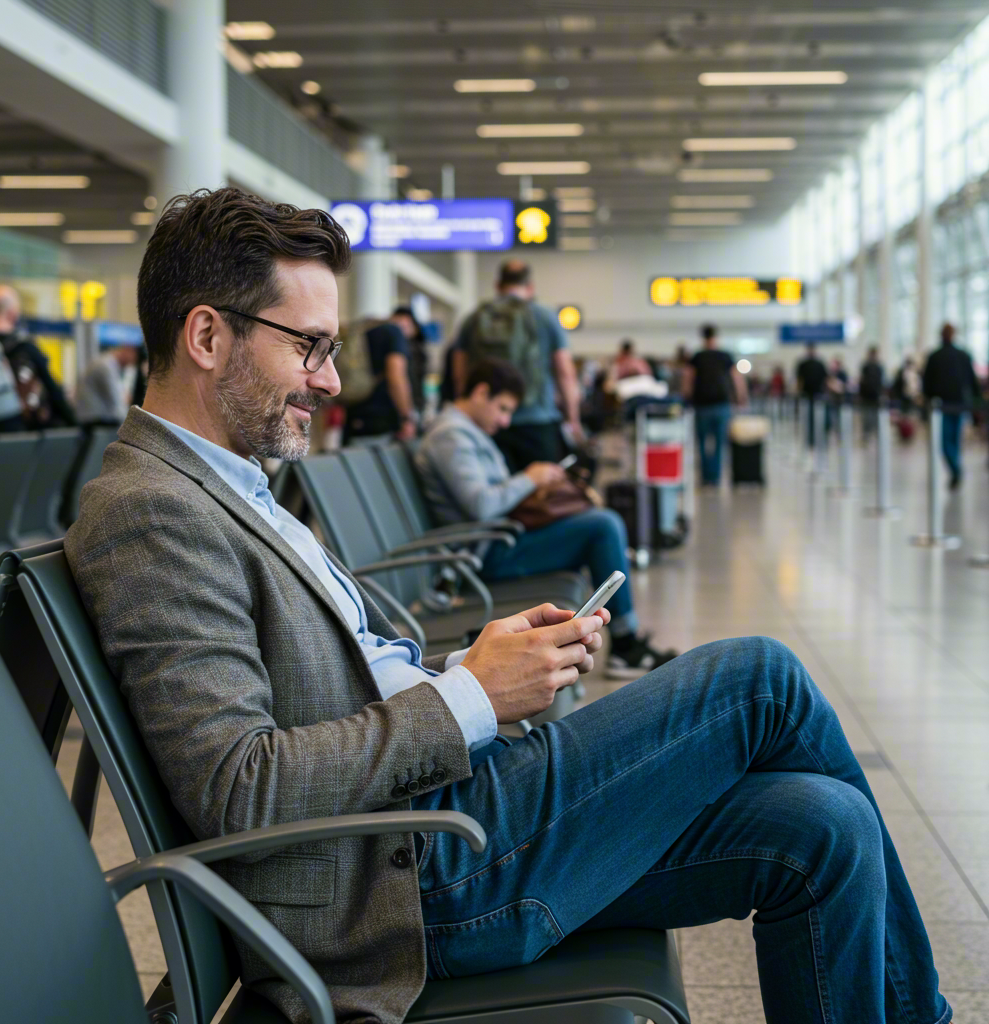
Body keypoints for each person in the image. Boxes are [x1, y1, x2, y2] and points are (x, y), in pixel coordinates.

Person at [65, 187, 951, 1024]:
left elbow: (332, 681)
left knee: (824, 828)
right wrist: (471, 699)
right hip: (410, 873)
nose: (331, 381)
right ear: (208, 337)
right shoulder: (151, 509)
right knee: (761, 678)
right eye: (311, 347)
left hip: (437, 814)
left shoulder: (232, 483)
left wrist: (468, 667)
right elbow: (238, 787)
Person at [416, 358, 676, 679]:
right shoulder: (451, 436)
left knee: (598, 523)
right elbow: (481, 504)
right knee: (603, 526)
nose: (505, 420)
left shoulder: (466, 432)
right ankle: (625, 644)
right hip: (484, 555)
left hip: (500, 538)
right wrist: (531, 478)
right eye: (502, 408)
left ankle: (624, 639)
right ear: (481, 392)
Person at [454, 260, 582, 470]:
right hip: (537, 422)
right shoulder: (545, 317)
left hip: (486, 424)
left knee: (500, 489)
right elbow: (565, 372)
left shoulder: (474, 318)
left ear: (497, 285)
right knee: (542, 494)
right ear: (530, 287)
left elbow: (460, 375)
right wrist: (572, 418)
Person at [0, 284, 76, 428]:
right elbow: (53, 390)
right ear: (13, 313)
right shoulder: (25, 347)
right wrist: (74, 424)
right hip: (13, 426)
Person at [342, 307, 420, 444]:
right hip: (380, 423)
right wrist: (407, 417)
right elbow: (396, 376)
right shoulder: (394, 332)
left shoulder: (368, 329)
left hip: (354, 415)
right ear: (408, 322)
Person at [683, 324, 746, 486]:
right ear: (716, 337)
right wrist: (741, 397)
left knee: (703, 442)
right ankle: (715, 477)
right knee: (719, 443)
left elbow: (688, 379)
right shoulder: (725, 356)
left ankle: (706, 478)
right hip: (721, 404)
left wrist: (687, 398)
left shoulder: (697, 357)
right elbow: (737, 378)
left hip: (702, 405)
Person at [923, 322, 980, 489]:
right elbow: (972, 380)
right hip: (958, 404)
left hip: (944, 405)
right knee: (953, 439)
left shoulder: (935, 356)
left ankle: (955, 469)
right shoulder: (963, 355)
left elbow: (927, 384)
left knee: (946, 440)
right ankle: (956, 468)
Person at [74, 343, 141, 425]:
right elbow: (116, 401)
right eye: (134, 359)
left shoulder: (111, 365)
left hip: (96, 418)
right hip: (94, 421)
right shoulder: (105, 366)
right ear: (128, 350)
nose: (131, 364)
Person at [795, 343, 828, 448]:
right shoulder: (803, 364)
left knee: (820, 419)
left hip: (818, 396)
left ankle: (819, 439)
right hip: (806, 396)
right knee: (809, 419)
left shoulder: (820, 363)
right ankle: (811, 440)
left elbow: (825, 379)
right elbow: (799, 380)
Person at [858, 347, 884, 442]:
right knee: (867, 417)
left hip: (875, 396)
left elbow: (880, 382)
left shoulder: (878, 367)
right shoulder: (866, 367)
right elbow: (862, 381)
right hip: (867, 396)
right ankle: (867, 434)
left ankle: (874, 433)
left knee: (875, 417)